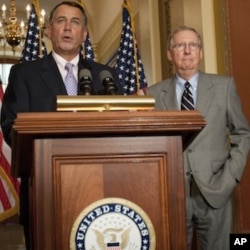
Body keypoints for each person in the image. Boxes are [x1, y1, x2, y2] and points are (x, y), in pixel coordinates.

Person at [0, 1, 123, 249]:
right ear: (48, 30)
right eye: (61, 21)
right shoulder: (25, 74)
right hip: (43, 186)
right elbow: (12, 127)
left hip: (97, 183)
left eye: (75, 22)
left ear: (84, 34)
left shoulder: (104, 75)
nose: (68, 28)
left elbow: (117, 127)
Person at [147, 25, 250, 250]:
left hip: (215, 191)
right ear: (169, 54)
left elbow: (242, 133)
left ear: (200, 53)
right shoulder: (153, 95)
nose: (187, 51)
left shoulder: (224, 87)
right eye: (180, 45)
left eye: (193, 45)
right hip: (171, 194)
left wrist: (230, 177)